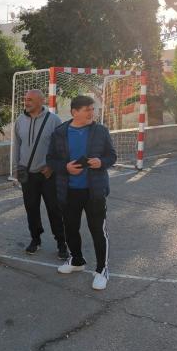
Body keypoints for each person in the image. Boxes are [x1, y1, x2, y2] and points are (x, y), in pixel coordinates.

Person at [47, 95, 117, 290]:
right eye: (87, 110)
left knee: (97, 231)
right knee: (70, 229)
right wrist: (65, 167)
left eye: (92, 109)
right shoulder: (60, 132)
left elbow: (112, 156)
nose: (91, 113)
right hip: (69, 191)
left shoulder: (101, 131)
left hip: (94, 191)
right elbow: (51, 160)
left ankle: (102, 269)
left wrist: (101, 162)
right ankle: (76, 260)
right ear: (74, 112)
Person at [13, 89, 68, 258]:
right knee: (31, 209)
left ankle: (61, 243)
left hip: (48, 174)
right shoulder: (20, 120)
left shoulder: (54, 120)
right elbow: (17, 145)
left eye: (30, 99)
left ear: (40, 101)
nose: (26, 102)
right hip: (27, 174)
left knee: (54, 209)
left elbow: (62, 147)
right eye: (25, 99)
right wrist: (16, 167)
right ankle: (35, 239)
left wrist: (52, 166)